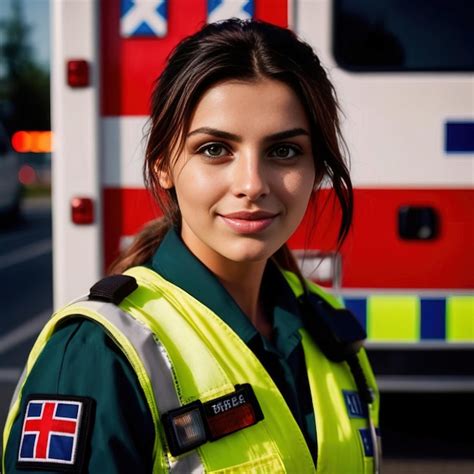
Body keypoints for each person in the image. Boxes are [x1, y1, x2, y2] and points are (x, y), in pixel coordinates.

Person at [2, 19, 380, 473]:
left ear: (317, 167)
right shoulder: (99, 353)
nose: (252, 184)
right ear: (163, 164)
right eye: (215, 149)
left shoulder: (328, 332)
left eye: (283, 151)